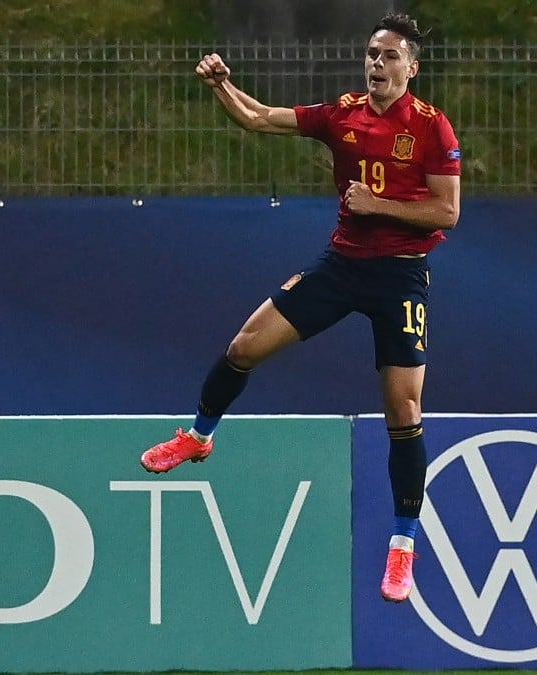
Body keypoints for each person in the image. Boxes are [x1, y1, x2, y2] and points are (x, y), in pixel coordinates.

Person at [138, 12, 461, 605]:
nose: (376, 64)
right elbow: (261, 118)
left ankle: (403, 546)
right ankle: (198, 436)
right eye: (371, 54)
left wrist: (379, 203)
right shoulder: (343, 113)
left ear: (411, 68)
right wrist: (219, 85)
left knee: (404, 408)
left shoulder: (433, 128)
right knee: (244, 347)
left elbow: (446, 214)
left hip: (401, 279)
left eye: (389, 57)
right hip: (342, 266)